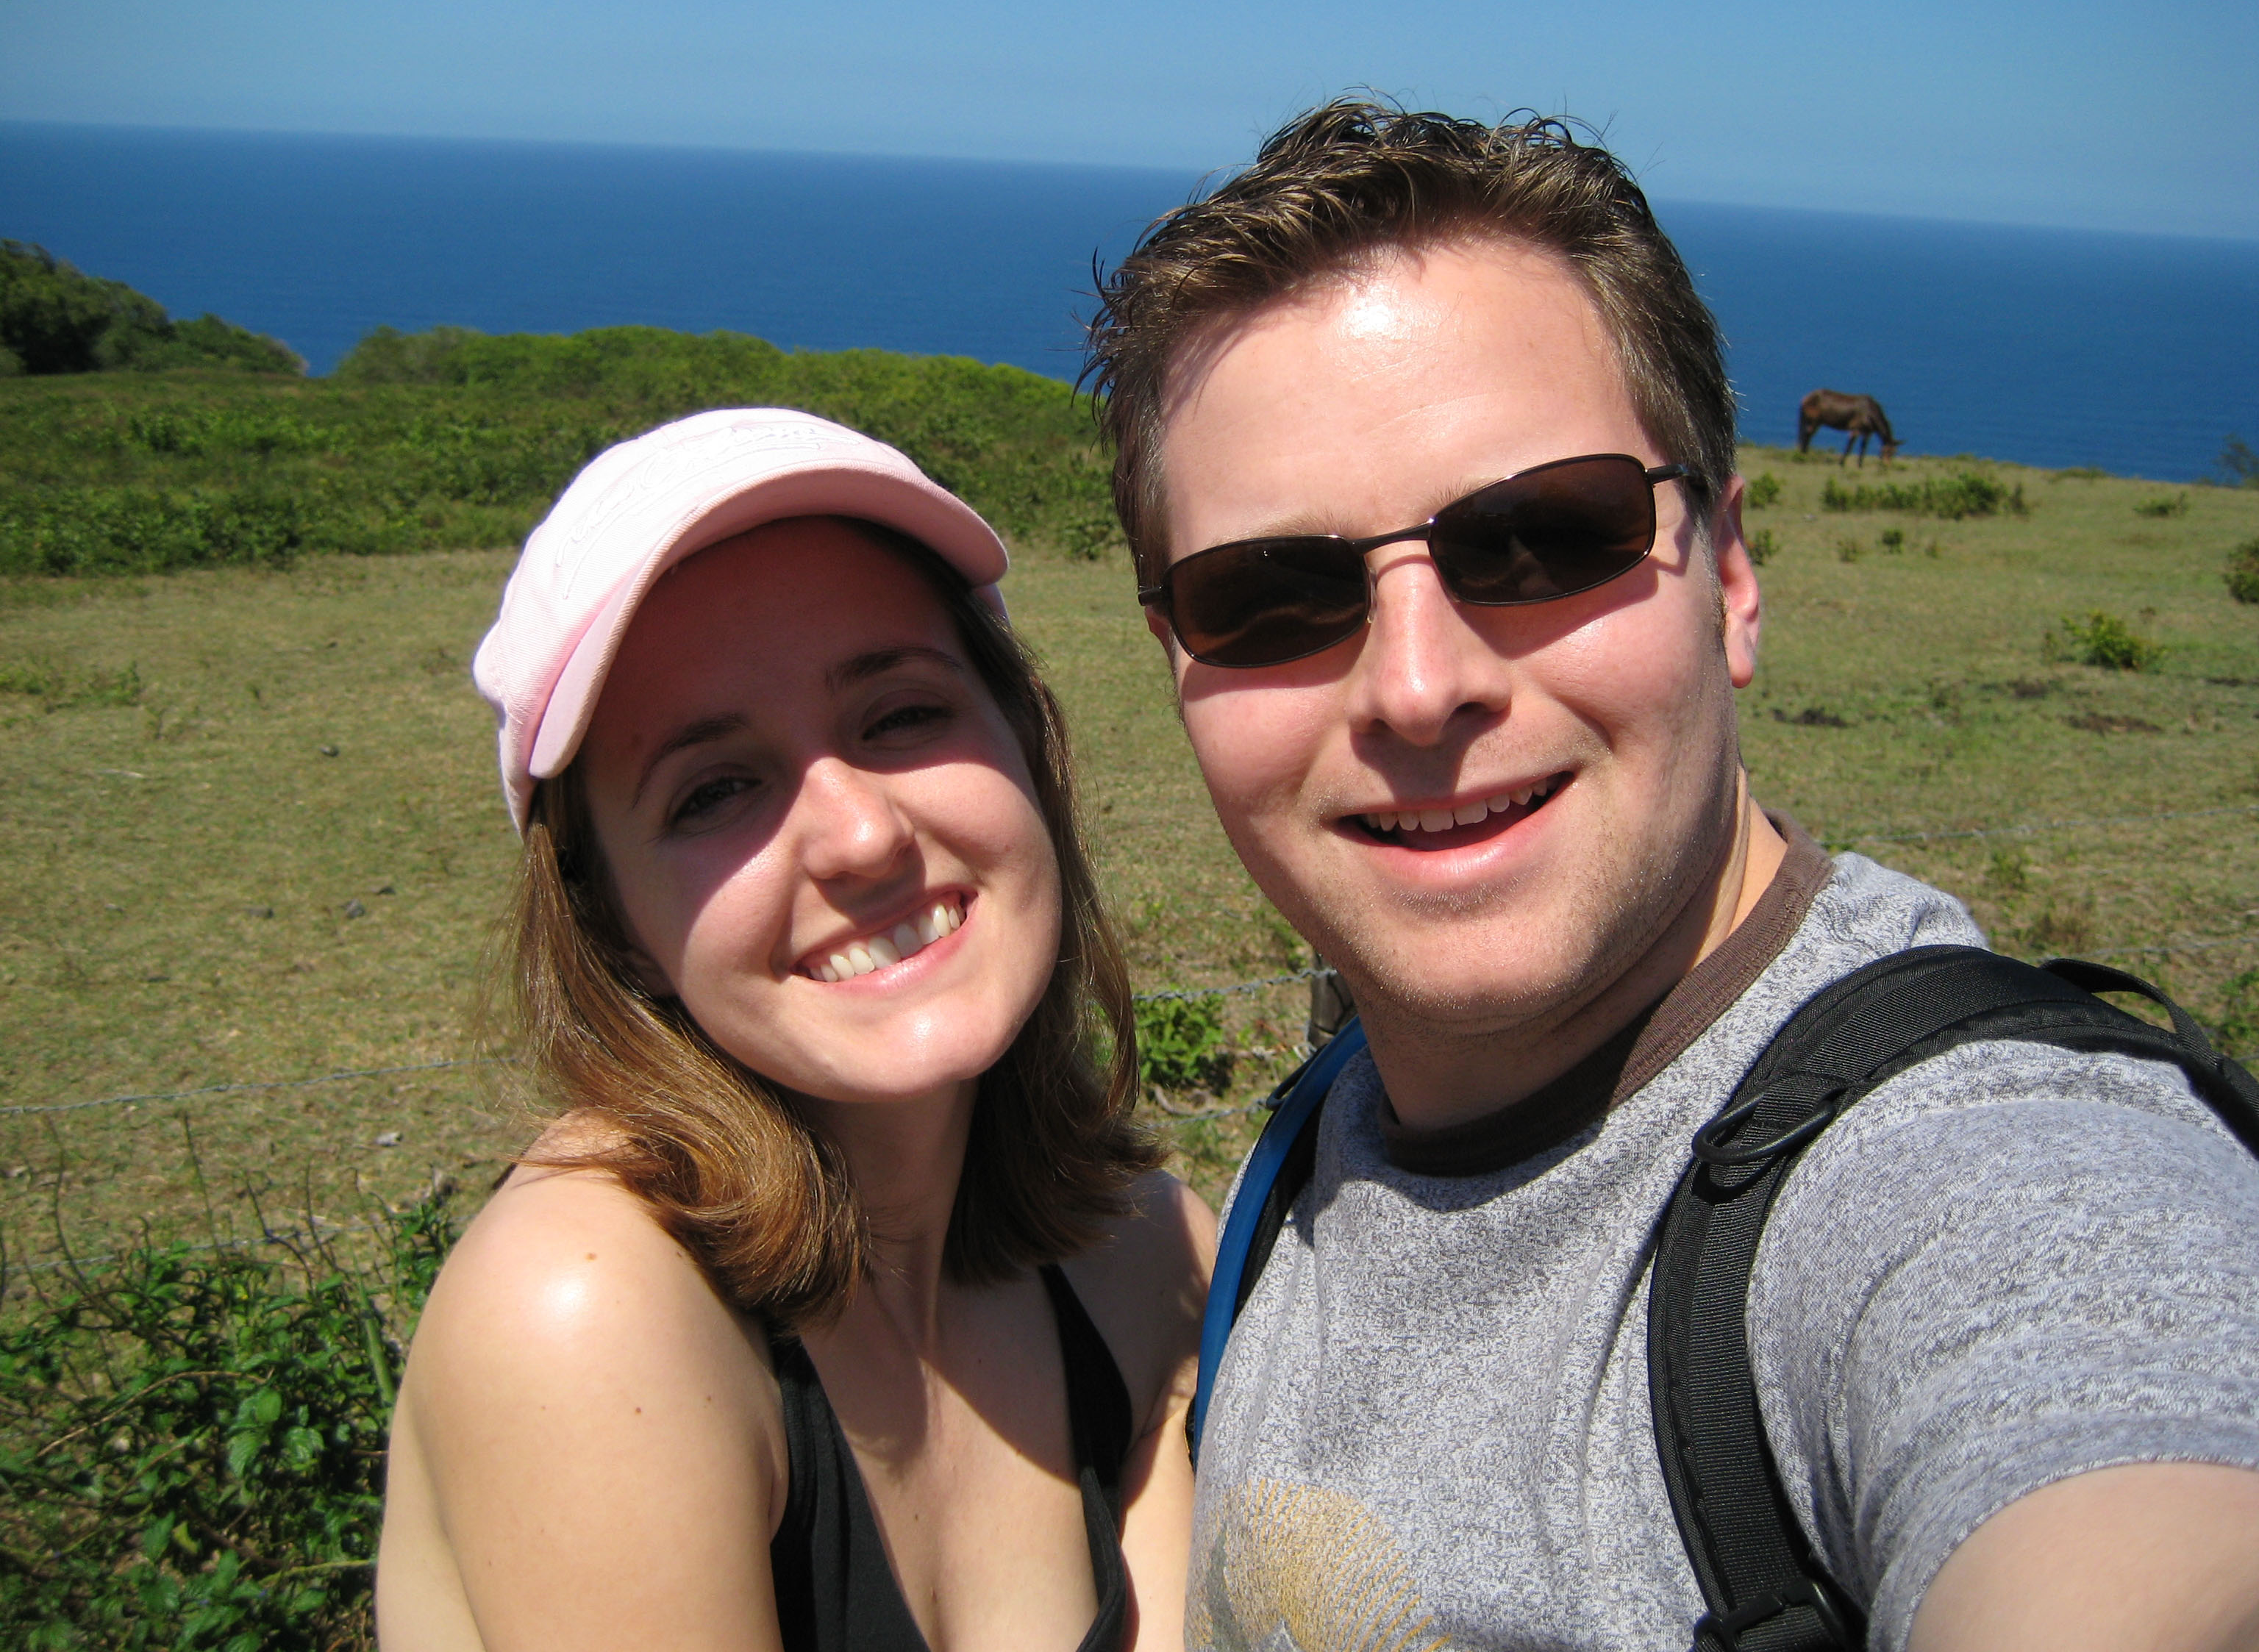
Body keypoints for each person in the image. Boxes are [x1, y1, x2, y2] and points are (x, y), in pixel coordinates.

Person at [1083, 101, 2259, 1651]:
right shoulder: (1310, 1145)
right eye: (1269, 594)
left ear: (1734, 578)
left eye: (1538, 537)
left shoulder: (1985, 1185)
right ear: (1177, 660)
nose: (1417, 688)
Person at [375, 408, 1213, 1652]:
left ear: (1024, 746)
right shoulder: (586, 1315)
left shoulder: (1142, 1258)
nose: (862, 837)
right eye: (716, 790)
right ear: (614, 929)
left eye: (903, 715)